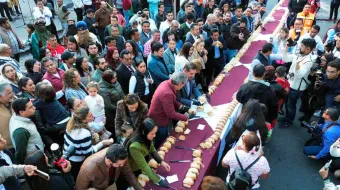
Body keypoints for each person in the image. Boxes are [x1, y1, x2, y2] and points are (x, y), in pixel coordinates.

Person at [64, 106, 114, 179]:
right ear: (84, 120)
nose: (93, 116)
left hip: (70, 158)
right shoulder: (84, 133)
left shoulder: (70, 126)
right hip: (77, 162)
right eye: (90, 115)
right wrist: (103, 143)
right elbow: (89, 153)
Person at [124, 118, 170, 188]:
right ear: (144, 132)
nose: (154, 136)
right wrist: (158, 180)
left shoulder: (146, 136)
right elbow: (143, 166)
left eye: (155, 133)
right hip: (133, 168)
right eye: (152, 134)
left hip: (141, 164)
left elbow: (152, 149)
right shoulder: (134, 147)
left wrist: (161, 162)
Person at [148, 72, 189, 148]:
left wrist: (182, 107)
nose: (183, 86)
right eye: (184, 84)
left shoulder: (166, 83)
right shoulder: (167, 92)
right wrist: (186, 117)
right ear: (180, 84)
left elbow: (172, 101)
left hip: (160, 117)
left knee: (165, 138)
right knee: (161, 143)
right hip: (159, 120)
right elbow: (170, 113)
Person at [282, 38, 316, 127]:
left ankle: (289, 121)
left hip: (297, 87)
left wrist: (297, 66)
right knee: (286, 102)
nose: (300, 47)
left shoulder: (309, 60)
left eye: (302, 46)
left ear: (308, 49)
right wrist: (286, 48)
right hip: (289, 83)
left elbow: (299, 75)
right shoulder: (298, 54)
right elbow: (285, 59)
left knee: (291, 105)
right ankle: (286, 117)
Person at [75, 144, 143, 190]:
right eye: (119, 165)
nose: (122, 166)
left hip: (111, 184)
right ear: (109, 161)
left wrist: (139, 188)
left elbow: (128, 173)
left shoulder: (121, 157)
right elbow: (79, 188)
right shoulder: (89, 167)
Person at [9, 98, 44, 164]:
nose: (34, 108)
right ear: (21, 112)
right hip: (34, 162)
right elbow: (20, 153)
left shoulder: (17, 116)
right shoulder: (21, 131)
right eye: (31, 107)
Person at [98, 70, 125, 134]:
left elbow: (121, 92)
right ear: (108, 79)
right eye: (114, 78)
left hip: (121, 109)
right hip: (113, 114)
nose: (116, 78)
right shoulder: (102, 89)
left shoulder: (115, 82)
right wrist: (121, 108)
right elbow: (108, 105)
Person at [0, 82, 14, 149]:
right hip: (8, 147)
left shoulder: (13, 101)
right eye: (9, 93)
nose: (13, 94)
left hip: (21, 142)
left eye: (12, 92)